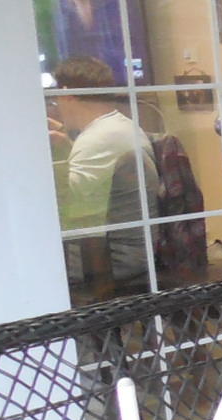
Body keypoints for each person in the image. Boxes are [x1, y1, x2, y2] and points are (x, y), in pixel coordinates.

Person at [47, 56, 161, 290]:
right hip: (138, 249)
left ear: (67, 94)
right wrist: (67, 141)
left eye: (57, 99)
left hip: (112, 260)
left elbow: (67, 209)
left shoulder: (97, 140)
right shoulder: (119, 126)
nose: (57, 106)